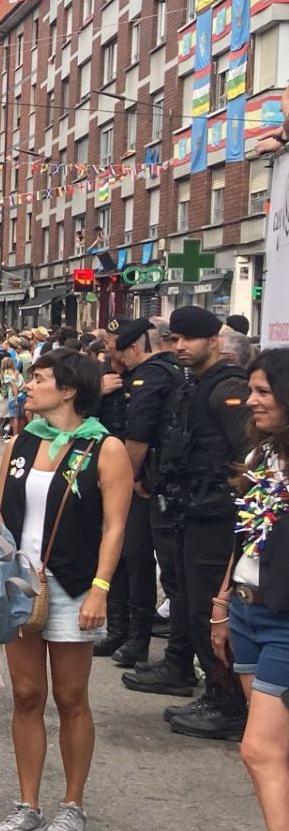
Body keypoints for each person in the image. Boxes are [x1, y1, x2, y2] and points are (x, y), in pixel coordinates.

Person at [0, 349, 130, 831]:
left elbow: (115, 525)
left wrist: (101, 587)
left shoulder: (104, 448)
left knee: (71, 699)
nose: (29, 385)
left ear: (69, 390)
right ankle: (28, 804)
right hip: (19, 584)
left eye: (40, 378)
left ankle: (73, 805)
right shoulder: (22, 441)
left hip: (73, 587)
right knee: (26, 695)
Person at [141, 307, 253, 741]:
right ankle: (216, 691)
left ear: (214, 341)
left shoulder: (228, 387)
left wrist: (232, 499)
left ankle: (230, 704)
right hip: (190, 509)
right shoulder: (196, 384)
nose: (180, 346)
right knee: (188, 604)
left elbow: (248, 452)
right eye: (176, 339)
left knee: (210, 610)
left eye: (190, 339)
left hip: (216, 516)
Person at [211, 346, 289, 831]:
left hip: (284, 618)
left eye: (264, 392)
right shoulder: (261, 453)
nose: (252, 400)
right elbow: (246, 534)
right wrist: (222, 603)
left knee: (260, 750)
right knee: (275, 755)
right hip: (246, 609)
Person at [102, 319, 182, 669]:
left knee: (137, 559)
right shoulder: (133, 377)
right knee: (124, 558)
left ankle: (139, 637)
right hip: (146, 481)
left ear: (133, 348)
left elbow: (138, 435)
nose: (110, 353)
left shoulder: (150, 376)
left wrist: (127, 478)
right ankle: (121, 631)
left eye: (116, 347)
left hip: (146, 483)